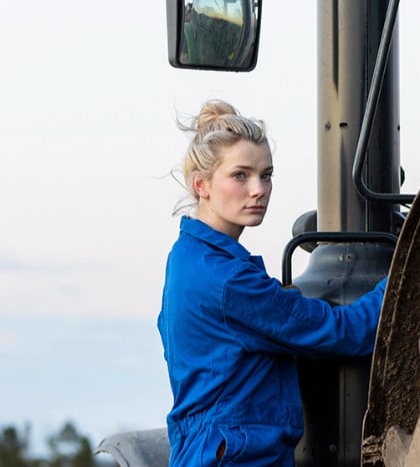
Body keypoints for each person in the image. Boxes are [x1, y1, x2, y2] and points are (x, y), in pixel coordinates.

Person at [159, 100, 385, 466]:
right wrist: (402, 277)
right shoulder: (229, 280)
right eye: (240, 176)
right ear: (201, 184)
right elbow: (343, 332)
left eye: (266, 175)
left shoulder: (187, 259)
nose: (258, 189)